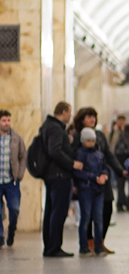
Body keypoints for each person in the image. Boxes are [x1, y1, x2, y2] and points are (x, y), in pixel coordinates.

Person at [72, 107, 123, 254]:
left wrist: (119, 171)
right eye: (88, 117)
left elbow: (107, 155)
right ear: (82, 120)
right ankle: (88, 242)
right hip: (86, 182)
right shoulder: (77, 137)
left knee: (107, 209)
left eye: (93, 116)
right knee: (87, 214)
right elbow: (74, 160)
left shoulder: (99, 135)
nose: (92, 119)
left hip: (101, 180)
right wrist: (74, 182)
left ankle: (99, 241)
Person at [40, 101, 81, 257]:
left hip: (51, 175)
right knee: (58, 212)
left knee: (51, 211)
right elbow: (54, 151)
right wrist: (72, 164)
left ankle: (50, 246)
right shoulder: (55, 128)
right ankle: (53, 248)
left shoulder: (49, 125)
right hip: (59, 175)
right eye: (69, 112)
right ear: (63, 112)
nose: (70, 116)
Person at [73, 128, 109, 257]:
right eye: (88, 141)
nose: (91, 143)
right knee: (86, 218)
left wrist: (104, 175)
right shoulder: (79, 154)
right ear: (83, 141)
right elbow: (78, 172)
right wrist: (94, 178)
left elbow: (105, 167)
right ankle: (84, 247)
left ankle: (98, 247)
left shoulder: (99, 154)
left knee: (99, 219)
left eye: (93, 140)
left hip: (99, 190)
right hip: (86, 189)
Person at [0, 109, 27, 247]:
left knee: (14, 209)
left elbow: (23, 156)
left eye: (8, 120)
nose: (7, 123)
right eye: (4, 120)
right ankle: (0, 236)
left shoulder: (16, 138)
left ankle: (11, 231)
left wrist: (20, 173)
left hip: (12, 180)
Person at [113, 124, 129, 211]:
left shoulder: (119, 139)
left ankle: (120, 205)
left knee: (120, 187)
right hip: (128, 166)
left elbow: (115, 151)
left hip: (119, 166)